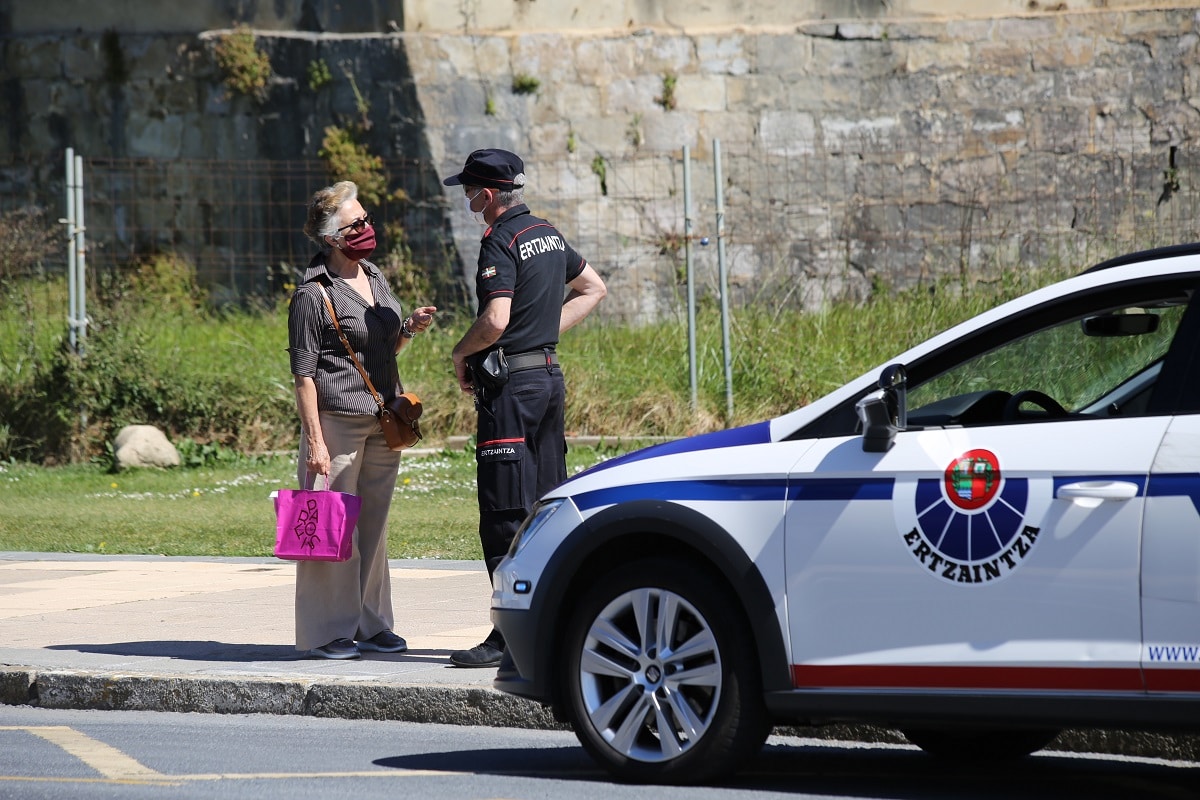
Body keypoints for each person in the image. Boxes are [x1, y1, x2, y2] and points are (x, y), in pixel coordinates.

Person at [443, 148, 607, 667]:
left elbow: (494, 319)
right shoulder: (548, 233)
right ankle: (552, 626)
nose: (468, 200)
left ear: (489, 195)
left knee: (504, 513)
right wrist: (540, 334)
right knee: (544, 506)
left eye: (470, 192)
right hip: (548, 380)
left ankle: (507, 636)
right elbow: (592, 287)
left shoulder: (500, 239)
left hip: (512, 389)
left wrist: (461, 351)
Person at [287, 180, 437, 659]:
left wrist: (408, 330)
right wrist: (315, 443)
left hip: (382, 421)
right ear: (332, 237)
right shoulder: (312, 295)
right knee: (330, 526)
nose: (367, 229)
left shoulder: (373, 275)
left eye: (367, 219)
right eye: (357, 224)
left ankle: (372, 624)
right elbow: (304, 376)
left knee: (374, 524)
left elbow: (379, 348)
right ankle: (327, 631)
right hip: (336, 423)